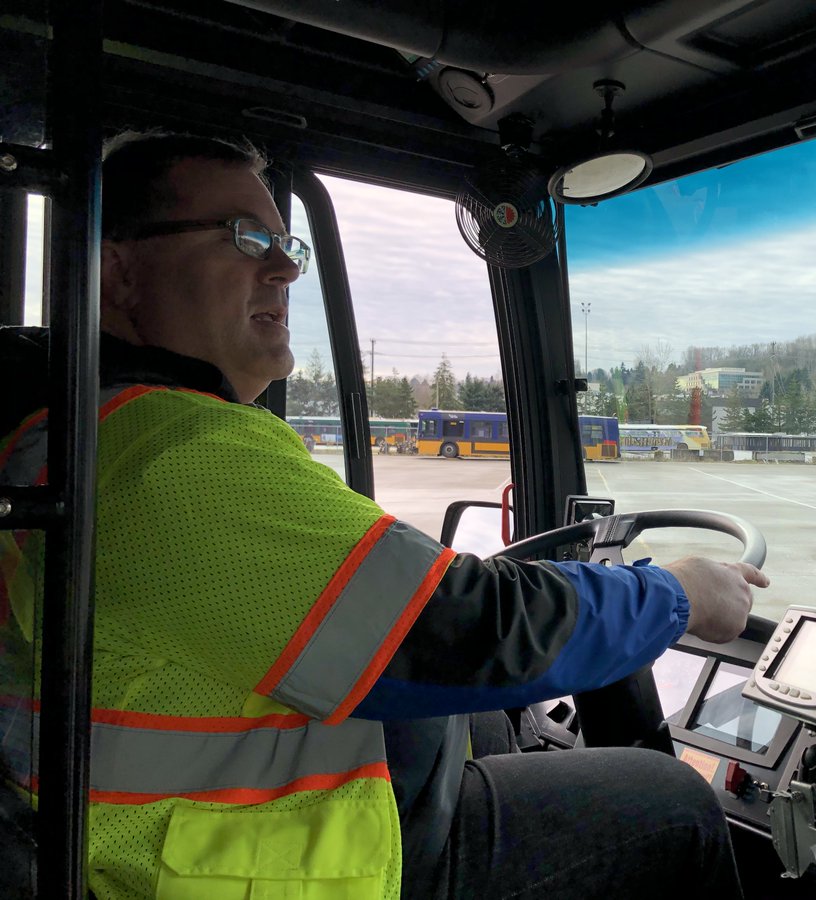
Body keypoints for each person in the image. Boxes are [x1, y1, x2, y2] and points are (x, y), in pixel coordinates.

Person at [0, 132, 769, 900]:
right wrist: (678, 593)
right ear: (117, 272)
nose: (286, 266)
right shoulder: (173, 455)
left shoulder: (73, 431)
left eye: (284, 240)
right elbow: (464, 631)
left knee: (493, 726)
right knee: (675, 805)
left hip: (162, 830)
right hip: (246, 868)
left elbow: (414, 608)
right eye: (244, 237)